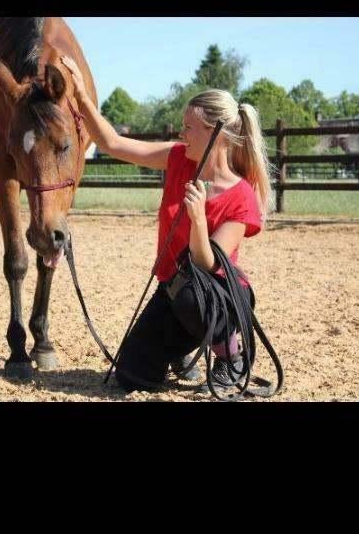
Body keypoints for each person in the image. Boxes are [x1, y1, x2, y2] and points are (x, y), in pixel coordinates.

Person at [61, 56, 273, 395]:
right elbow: (115, 144)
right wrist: (82, 97)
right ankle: (183, 349)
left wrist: (198, 219)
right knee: (132, 375)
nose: (181, 133)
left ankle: (232, 356)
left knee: (190, 293)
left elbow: (206, 264)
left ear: (215, 133)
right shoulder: (177, 158)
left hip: (211, 298)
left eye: (188, 127)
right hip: (172, 291)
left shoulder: (242, 196)